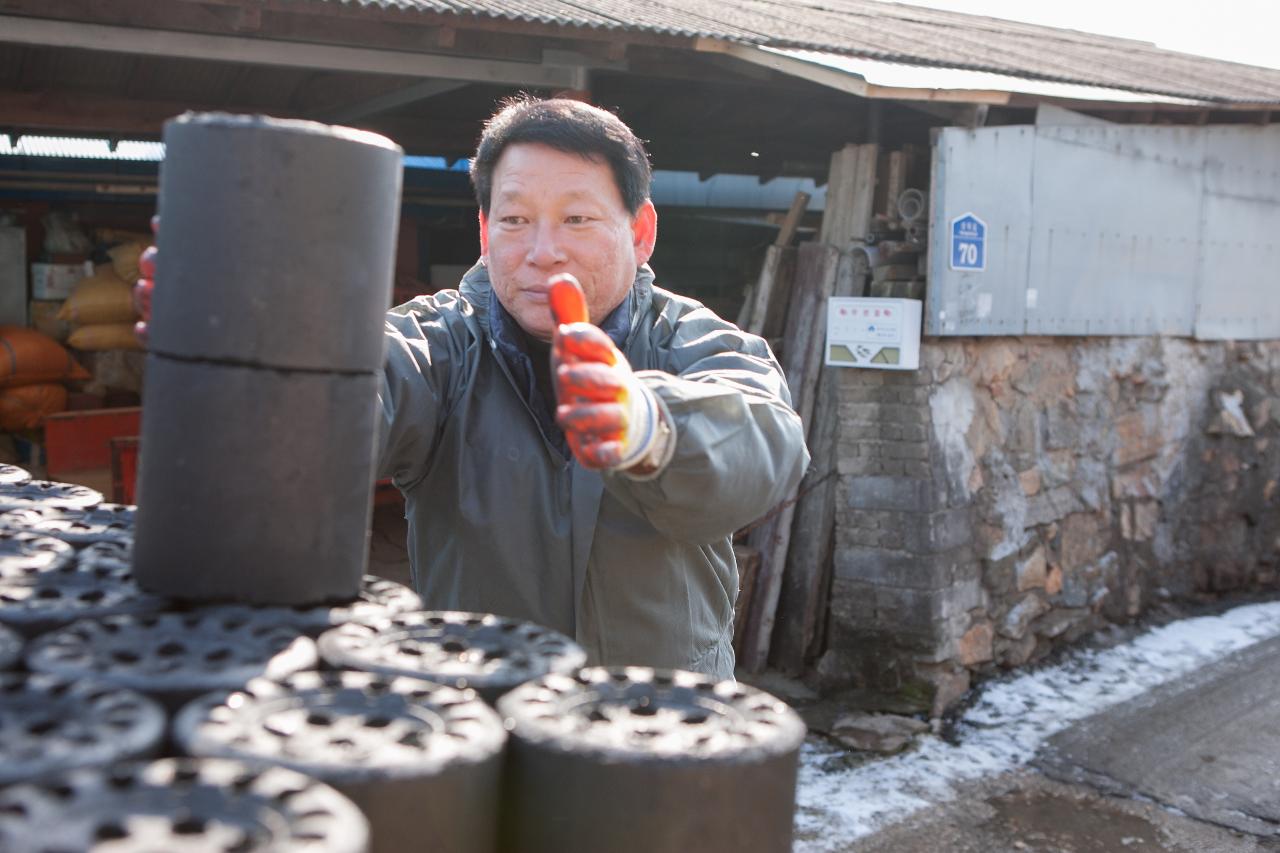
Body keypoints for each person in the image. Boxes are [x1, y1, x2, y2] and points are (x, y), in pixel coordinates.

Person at [140, 97, 809, 678]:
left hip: (657, 727)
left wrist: (649, 424)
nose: (543, 250)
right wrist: (264, 349)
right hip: (483, 723)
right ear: (486, 232)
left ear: (640, 230)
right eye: (515, 220)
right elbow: (352, 394)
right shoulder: (440, 346)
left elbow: (765, 450)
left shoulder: (695, 342)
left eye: (577, 219)